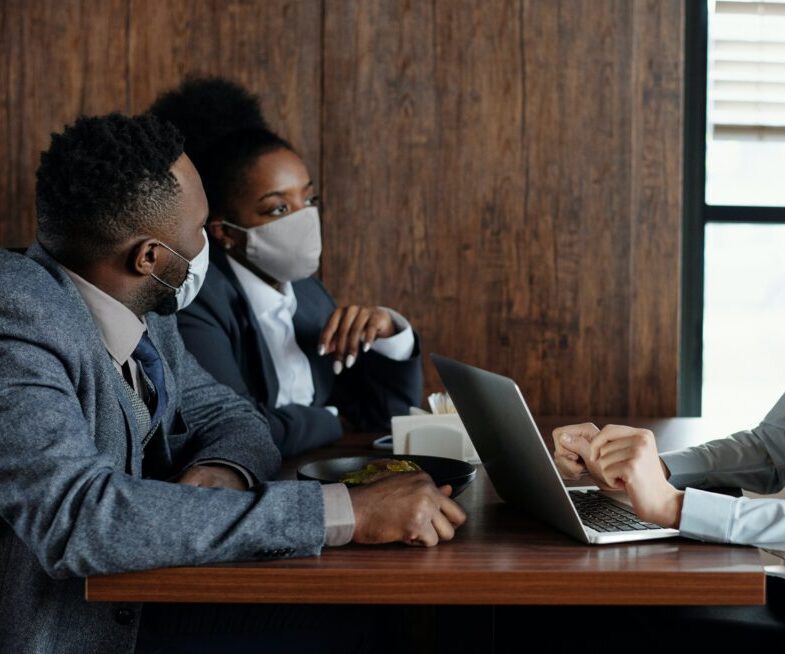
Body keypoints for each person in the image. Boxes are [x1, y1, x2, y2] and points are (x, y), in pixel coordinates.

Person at [0, 112, 465, 654]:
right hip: (82, 631)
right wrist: (345, 512)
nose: (207, 245)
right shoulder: (18, 321)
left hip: (153, 591)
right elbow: (77, 520)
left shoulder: (145, 305)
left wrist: (221, 471)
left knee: (383, 618)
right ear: (149, 256)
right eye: (200, 228)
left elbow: (232, 415)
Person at [553, 99, 785, 651]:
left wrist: (675, 506)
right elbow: (774, 447)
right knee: (603, 608)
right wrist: (644, 469)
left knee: (598, 619)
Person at [148, 77, 422, 457]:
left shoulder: (308, 293)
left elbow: (383, 419)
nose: (304, 218)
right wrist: (331, 421)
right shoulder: (198, 301)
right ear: (224, 232)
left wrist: (391, 334)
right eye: (278, 208)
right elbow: (237, 429)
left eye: (308, 200)